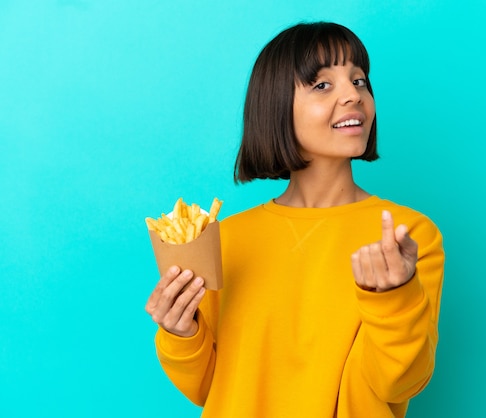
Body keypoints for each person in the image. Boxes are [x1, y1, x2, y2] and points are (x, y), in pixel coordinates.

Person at [145, 21, 445, 418]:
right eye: (323, 85)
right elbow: (206, 388)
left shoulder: (406, 236)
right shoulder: (225, 238)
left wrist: (394, 298)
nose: (353, 96)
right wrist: (180, 333)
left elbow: (401, 382)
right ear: (275, 107)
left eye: (359, 81)